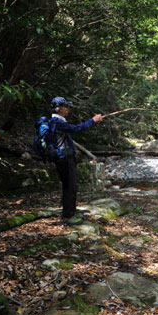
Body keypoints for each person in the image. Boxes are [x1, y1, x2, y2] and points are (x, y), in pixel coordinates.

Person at [50, 96, 103, 225]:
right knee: (70, 187)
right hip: (65, 159)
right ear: (60, 108)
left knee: (69, 186)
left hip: (63, 158)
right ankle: (68, 216)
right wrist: (93, 121)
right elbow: (76, 129)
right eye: (66, 106)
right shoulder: (57, 122)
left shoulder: (56, 122)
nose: (68, 109)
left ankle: (68, 211)